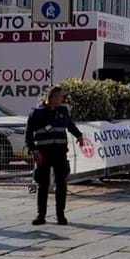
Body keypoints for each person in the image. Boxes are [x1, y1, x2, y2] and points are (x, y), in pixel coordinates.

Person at [25, 86, 84, 226]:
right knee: (43, 184)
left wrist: (79, 135)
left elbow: (70, 125)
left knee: (61, 184)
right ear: (52, 97)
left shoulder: (63, 111)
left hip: (60, 153)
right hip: (43, 153)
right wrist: (33, 150)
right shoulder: (37, 113)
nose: (62, 99)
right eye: (60, 97)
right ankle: (41, 215)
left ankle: (60, 215)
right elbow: (28, 134)